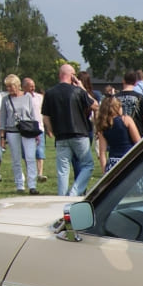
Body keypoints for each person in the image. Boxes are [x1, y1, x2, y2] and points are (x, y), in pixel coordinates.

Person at [41, 64, 96, 196]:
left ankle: (61, 197)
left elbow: (46, 117)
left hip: (61, 136)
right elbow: (95, 105)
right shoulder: (78, 91)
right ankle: (74, 192)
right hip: (79, 133)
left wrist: (51, 130)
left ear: (60, 75)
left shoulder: (50, 93)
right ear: (72, 76)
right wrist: (82, 87)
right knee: (87, 164)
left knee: (63, 169)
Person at [0, 74, 41, 193]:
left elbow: (33, 114)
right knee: (16, 158)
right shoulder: (6, 100)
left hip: (27, 129)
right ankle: (19, 184)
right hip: (12, 130)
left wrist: (37, 132)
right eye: (7, 87)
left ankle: (32, 185)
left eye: (11, 86)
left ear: (17, 85)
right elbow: (2, 118)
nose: (9, 89)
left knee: (30, 157)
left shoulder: (27, 97)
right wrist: (2, 136)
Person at [94, 94, 140, 170]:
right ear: (117, 107)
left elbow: (102, 152)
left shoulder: (103, 126)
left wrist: (104, 171)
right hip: (129, 159)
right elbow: (138, 142)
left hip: (113, 163)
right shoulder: (126, 120)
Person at [117, 70, 143, 138]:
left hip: (119, 133)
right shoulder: (140, 97)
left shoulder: (115, 98)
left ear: (123, 80)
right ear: (135, 83)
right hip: (138, 133)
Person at [23, 76, 47, 182]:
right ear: (24, 87)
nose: (32, 88)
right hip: (27, 128)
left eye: (33, 86)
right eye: (30, 86)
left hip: (39, 127)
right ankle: (30, 173)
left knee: (40, 151)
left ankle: (40, 173)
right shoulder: (22, 98)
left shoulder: (39, 97)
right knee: (27, 153)